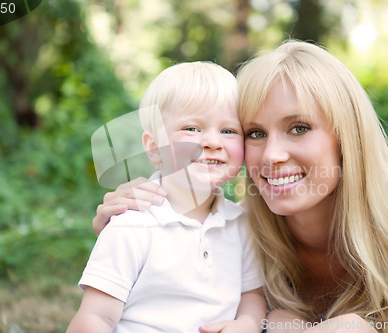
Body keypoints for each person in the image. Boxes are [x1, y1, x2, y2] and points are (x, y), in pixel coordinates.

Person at [92, 41, 388, 333]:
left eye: (299, 127)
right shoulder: (243, 226)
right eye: (254, 133)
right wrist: (128, 219)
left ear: (344, 134)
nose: (271, 155)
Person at [67, 62, 266, 333]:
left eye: (228, 131)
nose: (212, 141)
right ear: (154, 147)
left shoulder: (241, 225)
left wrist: (247, 323)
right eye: (192, 128)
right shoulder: (132, 224)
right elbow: (96, 318)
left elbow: (251, 294)